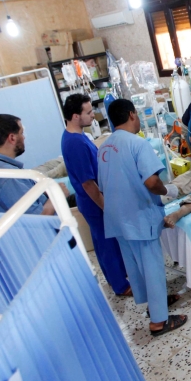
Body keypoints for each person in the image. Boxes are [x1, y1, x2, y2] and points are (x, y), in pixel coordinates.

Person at [98, 99, 187, 336]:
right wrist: (168, 191)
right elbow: (151, 182)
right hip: (138, 217)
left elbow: (103, 185)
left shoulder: (104, 147)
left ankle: (155, 304)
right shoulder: (138, 144)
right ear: (131, 115)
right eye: (137, 115)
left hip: (117, 218)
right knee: (152, 266)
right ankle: (159, 322)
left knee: (136, 267)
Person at [61, 94, 131, 297]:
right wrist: (106, 206)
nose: (94, 115)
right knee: (106, 243)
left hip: (93, 199)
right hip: (93, 201)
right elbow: (88, 183)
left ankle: (117, 278)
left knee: (103, 241)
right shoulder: (75, 143)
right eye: (89, 112)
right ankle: (120, 285)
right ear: (75, 116)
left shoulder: (79, 136)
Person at [0, 114, 67, 214]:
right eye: (21, 133)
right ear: (12, 138)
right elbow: (39, 216)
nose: (24, 137)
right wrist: (58, 195)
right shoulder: (8, 176)